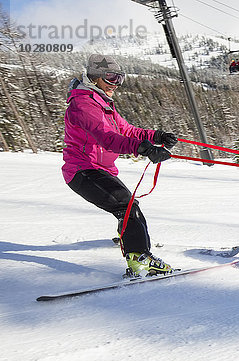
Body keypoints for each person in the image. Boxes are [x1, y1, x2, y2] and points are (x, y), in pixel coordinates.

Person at [62, 54, 178, 278]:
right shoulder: (83, 105)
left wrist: (156, 136)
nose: (116, 84)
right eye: (111, 78)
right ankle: (140, 258)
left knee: (127, 205)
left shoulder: (102, 102)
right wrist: (143, 149)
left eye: (120, 78)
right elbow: (107, 138)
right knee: (126, 206)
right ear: (94, 77)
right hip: (82, 170)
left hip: (99, 169)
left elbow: (127, 130)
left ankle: (131, 243)